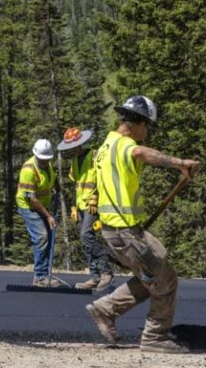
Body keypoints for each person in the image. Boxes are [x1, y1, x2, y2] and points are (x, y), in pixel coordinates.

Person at [85, 95, 199, 354]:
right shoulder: (124, 144)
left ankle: (105, 309)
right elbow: (139, 152)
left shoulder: (106, 146)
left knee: (156, 270)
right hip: (124, 231)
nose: (147, 133)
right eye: (147, 126)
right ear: (136, 122)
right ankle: (154, 337)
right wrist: (180, 163)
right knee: (165, 279)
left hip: (120, 230)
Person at [57, 127, 114, 291]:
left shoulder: (94, 156)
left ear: (81, 143)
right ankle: (95, 277)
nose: (72, 150)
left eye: (74, 146)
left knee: (86, 235)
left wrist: (97, 199)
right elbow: (77, 185)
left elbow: (103, 179)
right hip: (82, 205)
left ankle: (106, 272)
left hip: (93, 205)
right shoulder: (75, 161)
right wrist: (74, 206)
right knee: (85, 240)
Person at [15, 138, 62, 288]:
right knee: (42, 237)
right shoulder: (28, 170)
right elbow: (32, 199)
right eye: (42, 159)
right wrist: (48, 216)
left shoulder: (48, 166)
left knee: (49, 236)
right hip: (29, 206)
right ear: (36, 155)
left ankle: (45, 274)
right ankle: (40, 277)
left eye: (47, 159)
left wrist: (58, 188)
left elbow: (52, 179)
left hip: (43, 206)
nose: (44, 162)